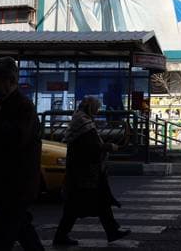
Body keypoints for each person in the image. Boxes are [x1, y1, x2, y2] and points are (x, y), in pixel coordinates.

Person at [0, 57, 43, 251]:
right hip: (6, 183)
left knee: (1, 236)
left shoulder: (23, 106)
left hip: (19, 183)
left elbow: (17, 139)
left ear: (10, 81)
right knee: (23, 232)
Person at [53, 96, 130, 246]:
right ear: (90, 108)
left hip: (83, 171)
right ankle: (61, 236)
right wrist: (108, 147)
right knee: (79, 206)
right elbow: (91, 147)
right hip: (85, 173)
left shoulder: (80, 120)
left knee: (96, 203)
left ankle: (111, 231)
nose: (97, 111)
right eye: (96, 108)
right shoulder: (84, 123)